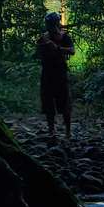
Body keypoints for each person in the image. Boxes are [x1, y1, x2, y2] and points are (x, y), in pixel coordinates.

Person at [36, 10, 76, 138]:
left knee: (65, 103)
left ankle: (68, 132)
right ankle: (51, 131)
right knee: (48, 103)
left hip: (60, 73)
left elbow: (72, 51)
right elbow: (37, 54)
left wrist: (57, 48)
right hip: (47, 73)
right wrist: (43, 46)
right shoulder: (44, 37)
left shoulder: (64, 37)